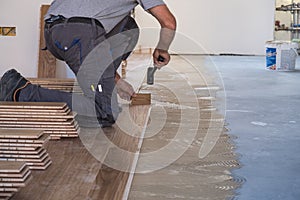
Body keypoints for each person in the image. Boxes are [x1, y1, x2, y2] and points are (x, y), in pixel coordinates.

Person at [0, 0, 176, 128]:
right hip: (79, 35)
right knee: (105, 112)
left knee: (129, 27)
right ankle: (22, 91)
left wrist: (116, 82)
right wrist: (162, 49)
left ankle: (102, 92)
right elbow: (169, 22)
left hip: (55, 33)